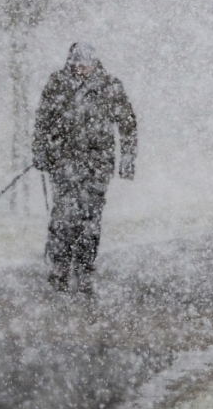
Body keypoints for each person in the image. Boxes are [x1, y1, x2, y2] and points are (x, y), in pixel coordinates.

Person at [32, 43, 136, 293]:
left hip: (97, 165)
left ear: (94, 62)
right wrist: (40, 152)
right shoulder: (57, 83)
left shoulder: (109, 86)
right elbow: (42, 120)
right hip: (63, 162)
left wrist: (128, 158)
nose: (81, 66)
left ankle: (85, 268)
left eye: (85, 61)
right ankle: (59, 266)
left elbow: (127, 123)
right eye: (76, 61)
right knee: (63, 217)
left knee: (90, 219)